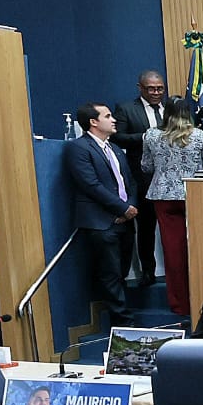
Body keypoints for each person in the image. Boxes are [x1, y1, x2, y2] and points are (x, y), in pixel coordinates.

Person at [141, 97, 203, 316]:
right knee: (199, 248)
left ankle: (180, 305)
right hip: (194, 195)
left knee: (172, 251)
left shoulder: (151, 135)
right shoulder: (200, 135)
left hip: (163, 197)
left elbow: (146, 166)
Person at [67, 101, 139, 327]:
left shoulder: (115, 148)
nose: (113, 119)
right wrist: (121, 208)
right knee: (110, 274)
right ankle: (123, 323)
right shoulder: (79, 148)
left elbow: (129, 181)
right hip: (101, 222)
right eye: (107, 116)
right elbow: (90, 184)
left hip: (125, 221)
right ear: (93, 122)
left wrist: (130, 207)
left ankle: (125, 316)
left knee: (123, 271)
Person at [112, 70, 167, 286]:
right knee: (146, 228)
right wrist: (146, 137)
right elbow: (117, 137)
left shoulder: (170, 108)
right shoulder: (126, 109)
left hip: (171, 179)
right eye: (151, 89)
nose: (156, 93)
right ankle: (148, 271)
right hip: (141, 178)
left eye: (160, 89)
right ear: (140, 88)